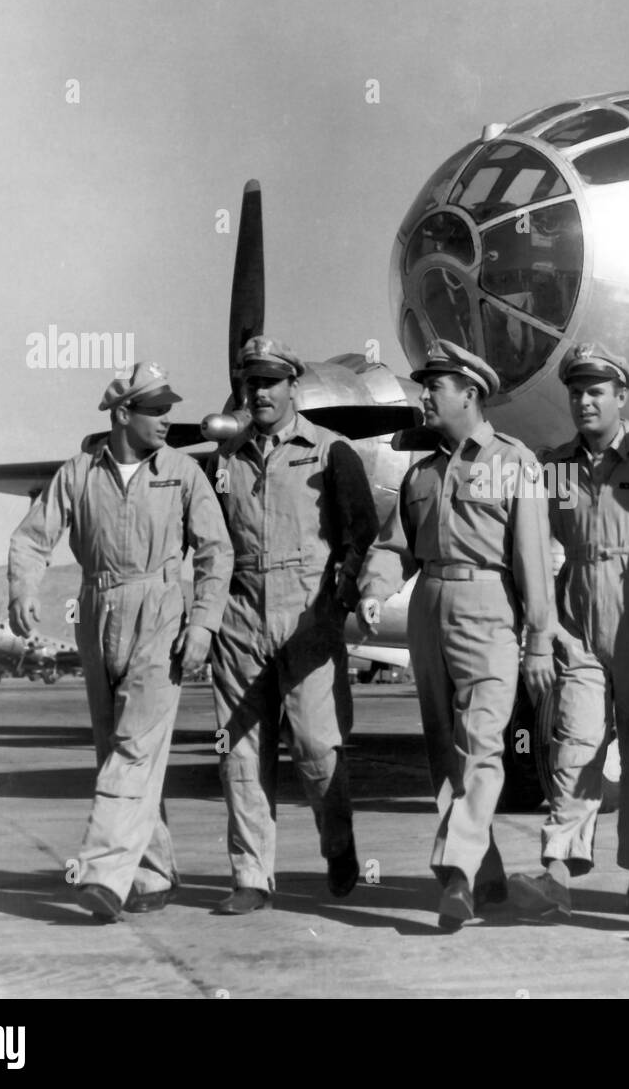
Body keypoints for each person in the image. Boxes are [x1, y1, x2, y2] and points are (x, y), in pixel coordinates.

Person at [9, 362, 233, 921]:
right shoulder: (79, 472)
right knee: (117, 749)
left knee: (134, 748)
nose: (166, 419)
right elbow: (33, 536)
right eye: (155, 410)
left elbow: (214, 552)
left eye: (168, 409)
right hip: (95, 610)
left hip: (159, 611)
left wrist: (203, 622)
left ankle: (104, 872)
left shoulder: (183, 473)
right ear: (123, 413)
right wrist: (22, 588)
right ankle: (153, 875)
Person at [356, 339, 556, 930]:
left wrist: (539, 637)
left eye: (433, 386)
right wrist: (373, 590)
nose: (423, 395)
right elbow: (396, 548)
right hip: (428, 610)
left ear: (469, 394)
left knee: (483, 747)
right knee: (446, 751)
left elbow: (533, 563)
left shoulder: (516, 462)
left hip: (489, 609)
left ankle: (458, 875)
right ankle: (486, 872)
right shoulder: (423, 473)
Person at [508, 342, 629, 917]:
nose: (583, 402)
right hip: (579, 631)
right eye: (576, 392)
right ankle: (557, 874)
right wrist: (546, 628)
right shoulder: (556, 466)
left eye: (595, 392)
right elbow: (533, 543)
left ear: (621, 396)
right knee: (576, 747)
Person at [207, 336, 378, 915]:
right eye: (250, 381)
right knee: (240, 752)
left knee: (314, 744)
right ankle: (252, 877)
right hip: (239, 614)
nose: (258, 391)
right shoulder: (222, 463)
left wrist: (341, 596)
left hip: (307, 614)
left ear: (292, 387)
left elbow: (361, 531)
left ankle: (339, 845)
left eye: (270, 381)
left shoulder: (332, 452)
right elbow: (202, 538)